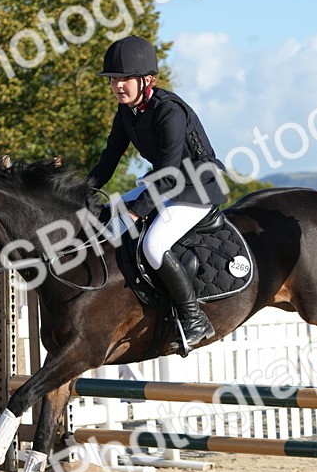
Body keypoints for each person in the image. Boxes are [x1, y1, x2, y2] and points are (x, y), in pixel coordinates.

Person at [87, 35, 228, 351]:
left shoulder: (169, 111)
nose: (118, 86)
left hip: (196, 188)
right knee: (109, 220)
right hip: (167, 184)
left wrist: (137, 210)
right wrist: (81, 192)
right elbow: (109, 157)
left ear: (146, 79)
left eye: (124, 79)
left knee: (153, 244)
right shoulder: (128, 112)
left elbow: (168, 173)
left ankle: (195, 319)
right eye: (113, 80)